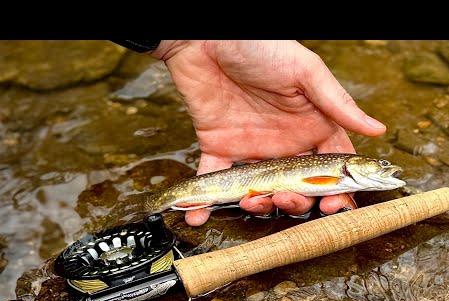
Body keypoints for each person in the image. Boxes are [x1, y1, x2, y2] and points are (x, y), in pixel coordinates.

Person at [115, 40, 387, 226]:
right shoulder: (336, 170)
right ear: (354, 165)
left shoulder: (337, 171)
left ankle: (154, 205)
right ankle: (151, 205)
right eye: (381, 165)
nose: (385, 167)